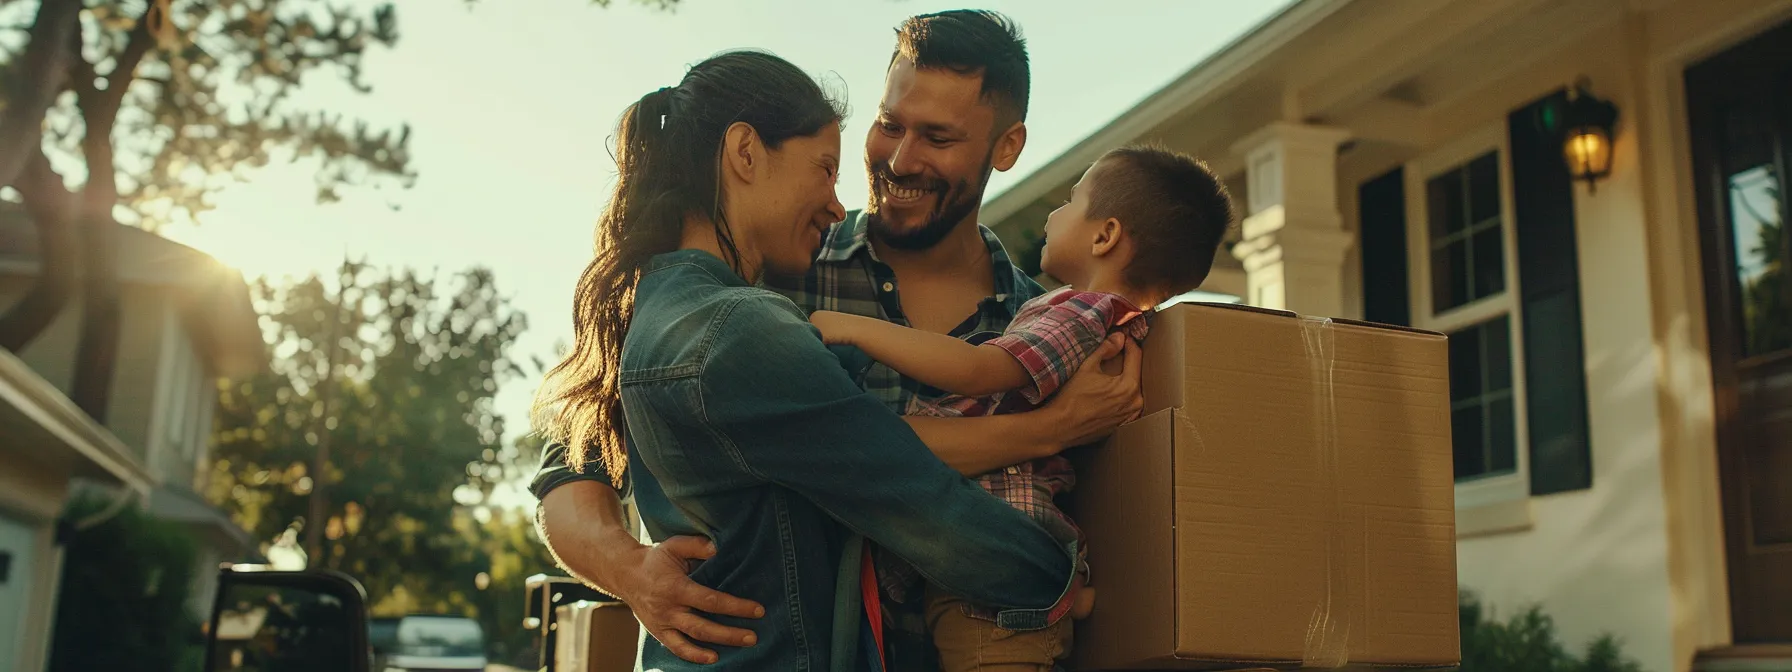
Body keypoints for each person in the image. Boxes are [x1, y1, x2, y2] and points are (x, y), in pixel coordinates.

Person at [530, 11, 1145, 672]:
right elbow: (575, 466)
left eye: (937, 136)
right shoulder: (764, 279)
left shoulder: (1048, 329)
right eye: (889, 125)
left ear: (1006, 147)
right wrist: (632, 570)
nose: (901, 159)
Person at [810, 145, 1237, 671]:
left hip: (994, 594)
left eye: (1069, 200)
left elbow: (979, 369)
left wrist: (851, 327)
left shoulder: (1080, 311)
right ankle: (1063, 591)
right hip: (998, 586)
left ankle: (1057, 589)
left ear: (1105, 236)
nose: (1053, 214)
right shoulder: (1119, 330)